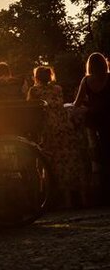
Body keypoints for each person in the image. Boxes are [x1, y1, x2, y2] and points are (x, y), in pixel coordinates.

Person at [28, 66, 89, 208]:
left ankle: (64, 200)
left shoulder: (34, 91)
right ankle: (83, 198)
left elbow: (32, 112)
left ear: (36, 77)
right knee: (72, 160)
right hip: (64, 126)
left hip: (49, 129)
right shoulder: (58, 89)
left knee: (55, 163)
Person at [73, 52, 110, 202]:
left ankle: (103, 190)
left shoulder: (86, 81)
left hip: (95, 120)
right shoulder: (109, 78)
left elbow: (77, 103)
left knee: (99, 153)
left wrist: (91, 104)